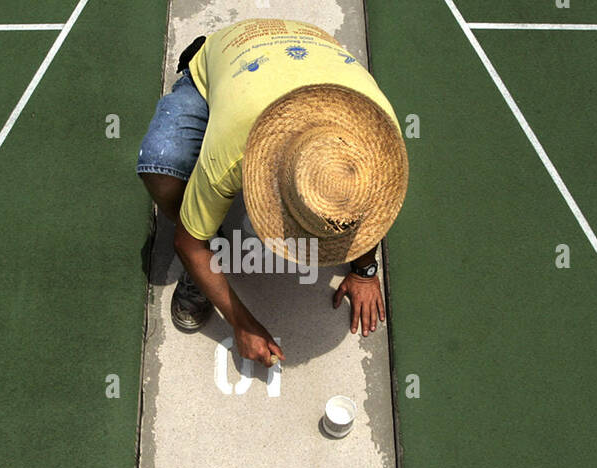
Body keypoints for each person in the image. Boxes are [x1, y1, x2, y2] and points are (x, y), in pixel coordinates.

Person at [136, 18, 408, 367]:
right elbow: (186, 244)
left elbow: (373, 200)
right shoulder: (235, 150)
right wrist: (242, 324)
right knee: (161, 167)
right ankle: (205, 246)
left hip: (311, 43)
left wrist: (364, 269)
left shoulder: (381, 136)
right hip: (229, 56)